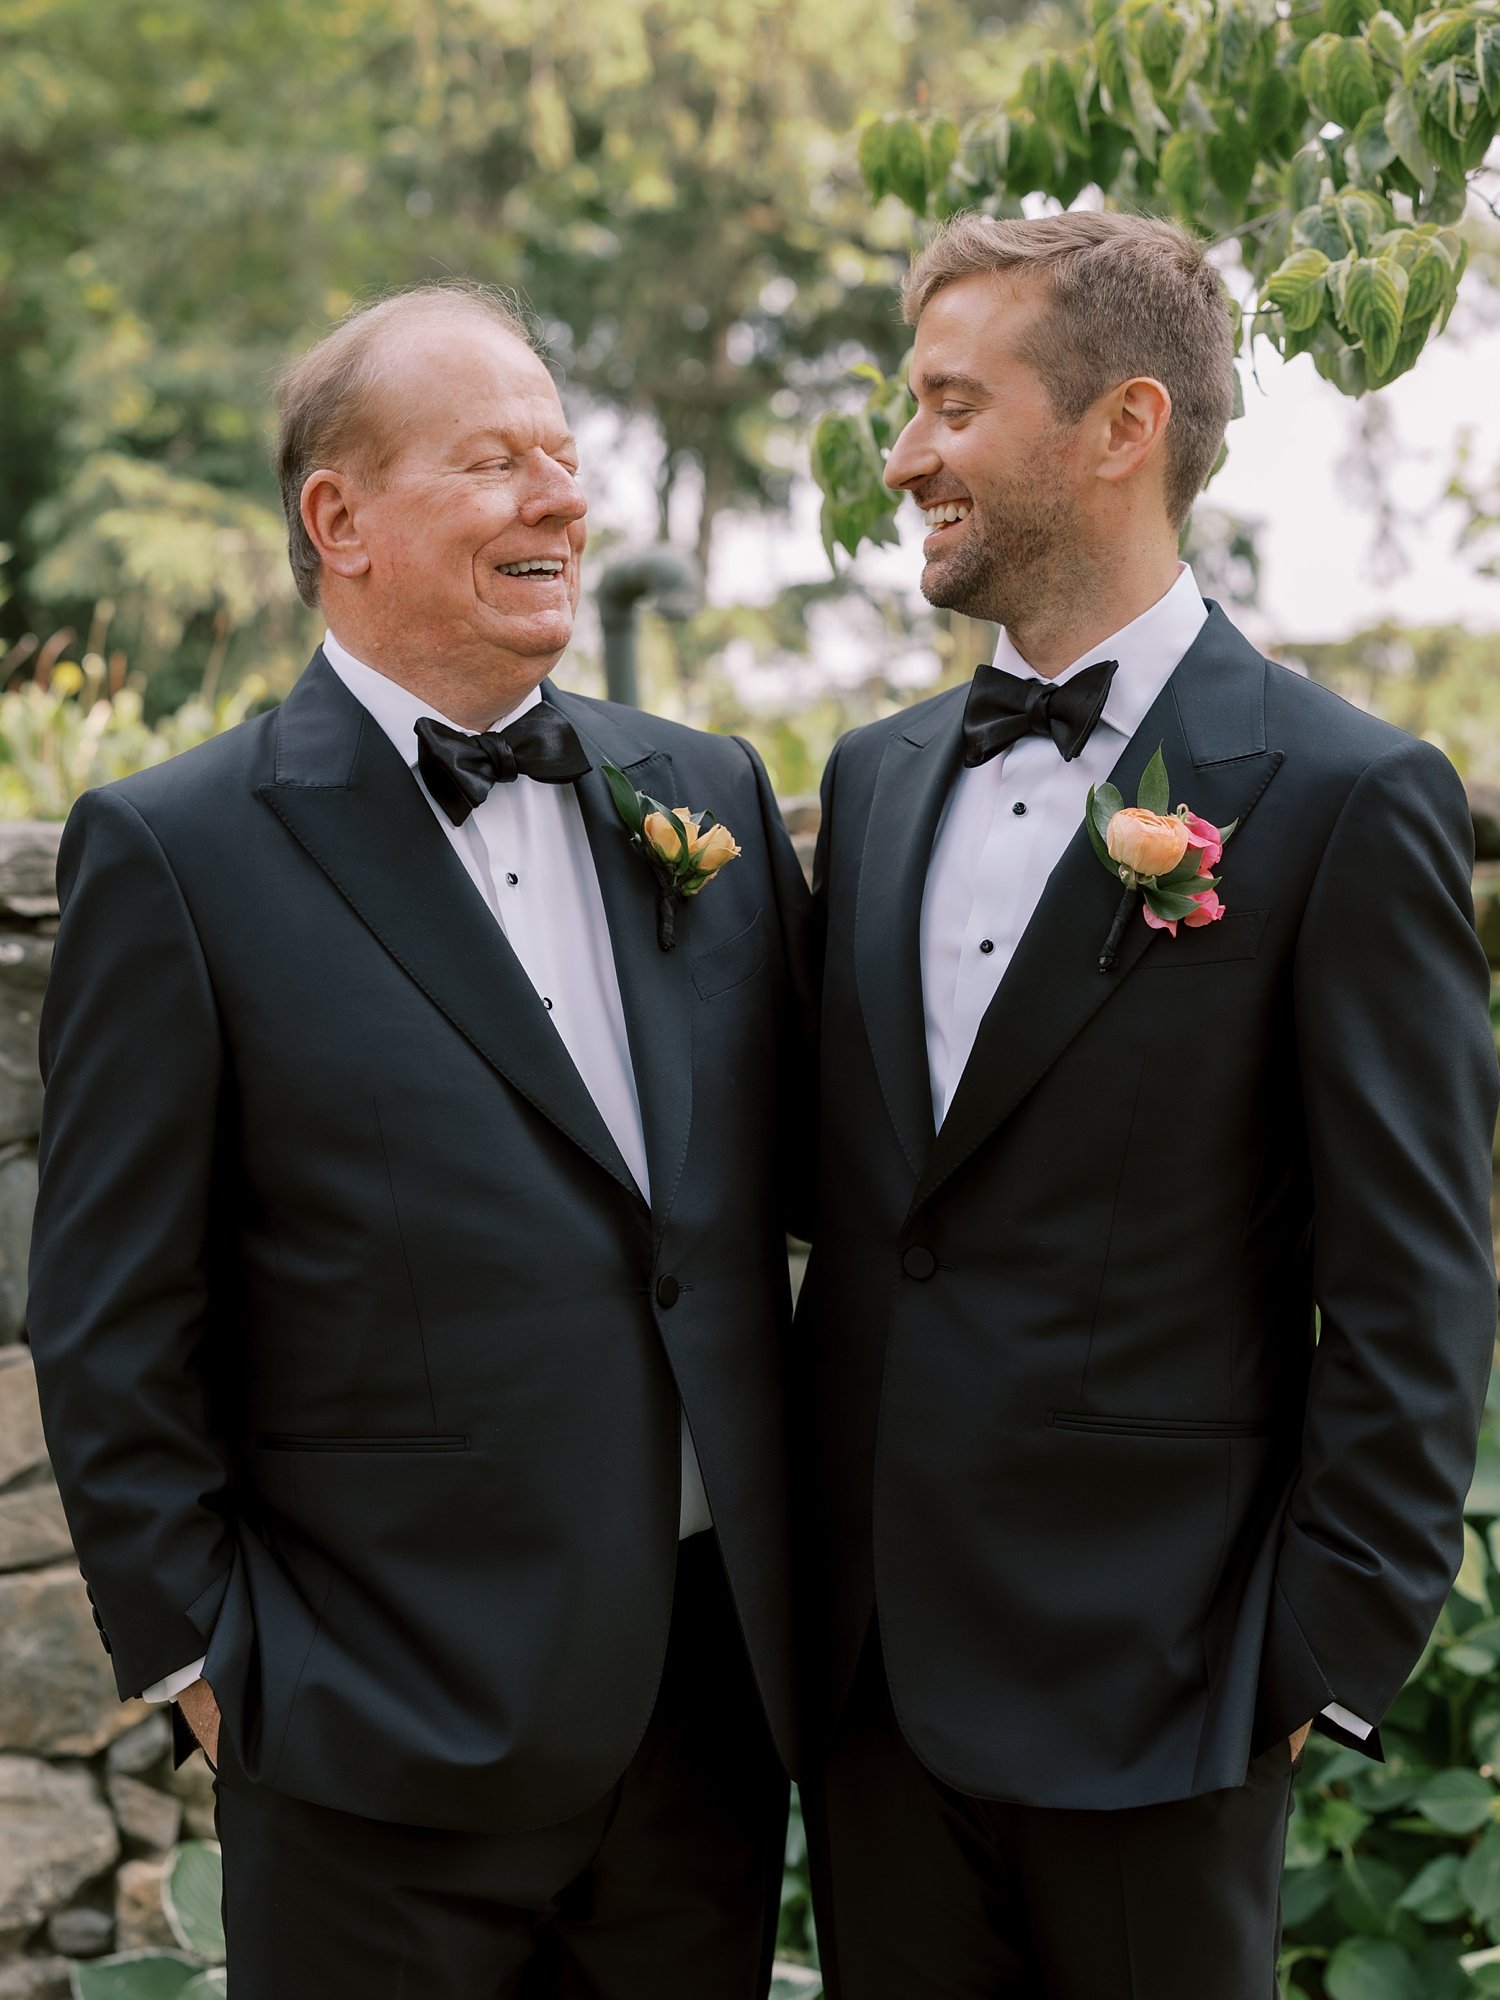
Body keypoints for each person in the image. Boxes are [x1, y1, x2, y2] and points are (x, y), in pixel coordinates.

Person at [28, 282, 810, 2000]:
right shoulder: (177, 852)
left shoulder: (707, 793)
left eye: (564, 455)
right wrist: (207, 1664)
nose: (560, 499)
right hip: (370, 1733)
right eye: (495, 461)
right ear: (342, 519)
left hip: (705, 1734)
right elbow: (107, 1312)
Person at [796, 211, 1498, 1998]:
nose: (905, 454)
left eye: (954, 404)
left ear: (1121, 425)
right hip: (871, 1700)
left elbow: (1418, 1286)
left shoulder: (1345, 796)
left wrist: (1312, 1660)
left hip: (1168, 1698)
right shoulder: (870, 786)